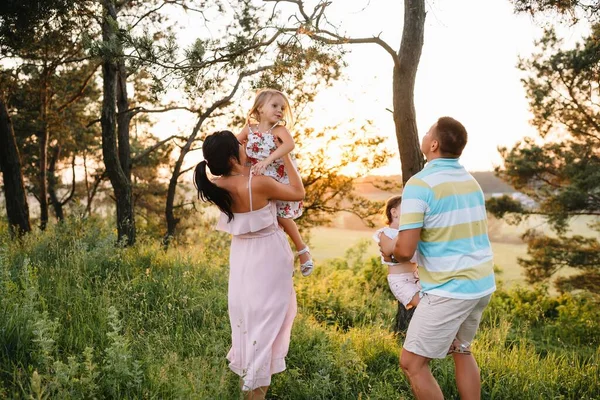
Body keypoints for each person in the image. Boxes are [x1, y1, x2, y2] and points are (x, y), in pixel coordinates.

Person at [380, 117, 496, 400]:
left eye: (429, 131)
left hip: (449, 290)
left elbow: (405, 251)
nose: (425, 134)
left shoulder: (420, 184)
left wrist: (388, 249)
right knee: (462, 349)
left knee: (412, 363)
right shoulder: (471, 182)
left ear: (433, 144)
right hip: (481, 285)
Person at [194, 130, 305, 399]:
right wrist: (286, 155)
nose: (245, 147)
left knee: (251, 318)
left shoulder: (217, 185)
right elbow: (298, 192)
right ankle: (256, 388)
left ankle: (252, 380)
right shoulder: (258, 183)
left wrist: (242, 136)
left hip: (243, 258)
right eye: (240, 147)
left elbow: (236, 161)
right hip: (269, 256)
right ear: (233, 157)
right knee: (269, 323)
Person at [237, 88, 314, 276]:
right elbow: (234, 142)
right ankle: (276, 260)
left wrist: (266, 161)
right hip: (258, 179)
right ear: (260, 108)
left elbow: (290, 145)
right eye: (274, 105)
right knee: (265, 218)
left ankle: (302, 249)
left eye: (282, 107)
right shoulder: (249, 129)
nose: (280, 110)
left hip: (279, 177)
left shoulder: (279, 130)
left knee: (281, 216)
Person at [372, 195, 421, 310]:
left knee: (434, 303)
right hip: (401, 281)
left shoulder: (411, 234)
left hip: (418, 276)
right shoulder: (386, 233)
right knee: (425, 306)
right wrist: (405, 231)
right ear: (394, 212)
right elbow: (387, 250)